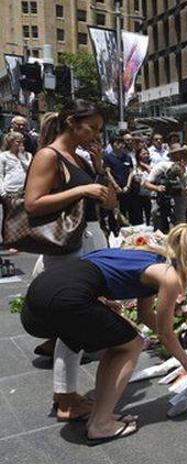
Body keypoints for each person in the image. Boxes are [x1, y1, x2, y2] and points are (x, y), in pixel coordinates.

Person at [21, 224, 187, 443]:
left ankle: (99, 415)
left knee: (122, 341)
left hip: (40, 296)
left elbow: (145, 314)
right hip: (66, 299)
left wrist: (173, 344)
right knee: (132, 344)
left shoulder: (151, 257)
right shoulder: (169, 277)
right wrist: (185, 360)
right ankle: (100, 424)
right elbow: (166, 333)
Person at [24, 100, 117, 421]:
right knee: (74, 320)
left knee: (75, 320)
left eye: (99, 130)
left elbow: (108, 202)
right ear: (69, 122)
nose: (94, 134)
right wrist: (83, 190)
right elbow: (33, 203)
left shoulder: (81, 158)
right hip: (70, 246)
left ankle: (66, 395)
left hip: (88, 240)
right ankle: (65, 399)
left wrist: (100, 169)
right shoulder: (48, 155)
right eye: (90, 127)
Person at [145, 143, 187, 232]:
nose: (181, 154)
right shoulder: (161, 165)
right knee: (157, 218)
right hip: (161, 199)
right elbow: (146, 183)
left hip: (179, 200)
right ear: (172, 154)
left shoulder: (186, 170)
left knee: (180, 225)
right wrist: (157, 188)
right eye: (178, 152)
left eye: (182, 152)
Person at [103, 134, 135, 236]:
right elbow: (108, 173)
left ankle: (125, 232)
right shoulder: (107, 157)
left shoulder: (127, 157)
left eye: (122, 143)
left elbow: (131, 172)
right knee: (113, 212)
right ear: (112, 145)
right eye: (117, 143)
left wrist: (128, 185)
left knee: (126, 211)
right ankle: (114, 232)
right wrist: (116, 186)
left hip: (126, 189)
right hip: (114, 189)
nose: (120, 145)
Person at [0, 131, 33, 196]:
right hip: (9, 191)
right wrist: (3, 192)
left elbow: (30, 169)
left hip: (25, 190)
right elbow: (0, 174)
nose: (21, 144)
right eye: (18, 142)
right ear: (10, 143)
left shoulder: (28, 155)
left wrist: (21, 156)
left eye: (22, 142)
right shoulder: (3, 156)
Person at [126, 149, 153, 226]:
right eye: (144, 154)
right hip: (138, 195)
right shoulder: (135, 166)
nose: (146, 155)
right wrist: (128, 185)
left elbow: (153, 173)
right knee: (139, 217)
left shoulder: (151, 165)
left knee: (149, 216)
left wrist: (145, 165)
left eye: (147, 153)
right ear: (138, 155)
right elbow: (131, 174)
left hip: (149, 195)